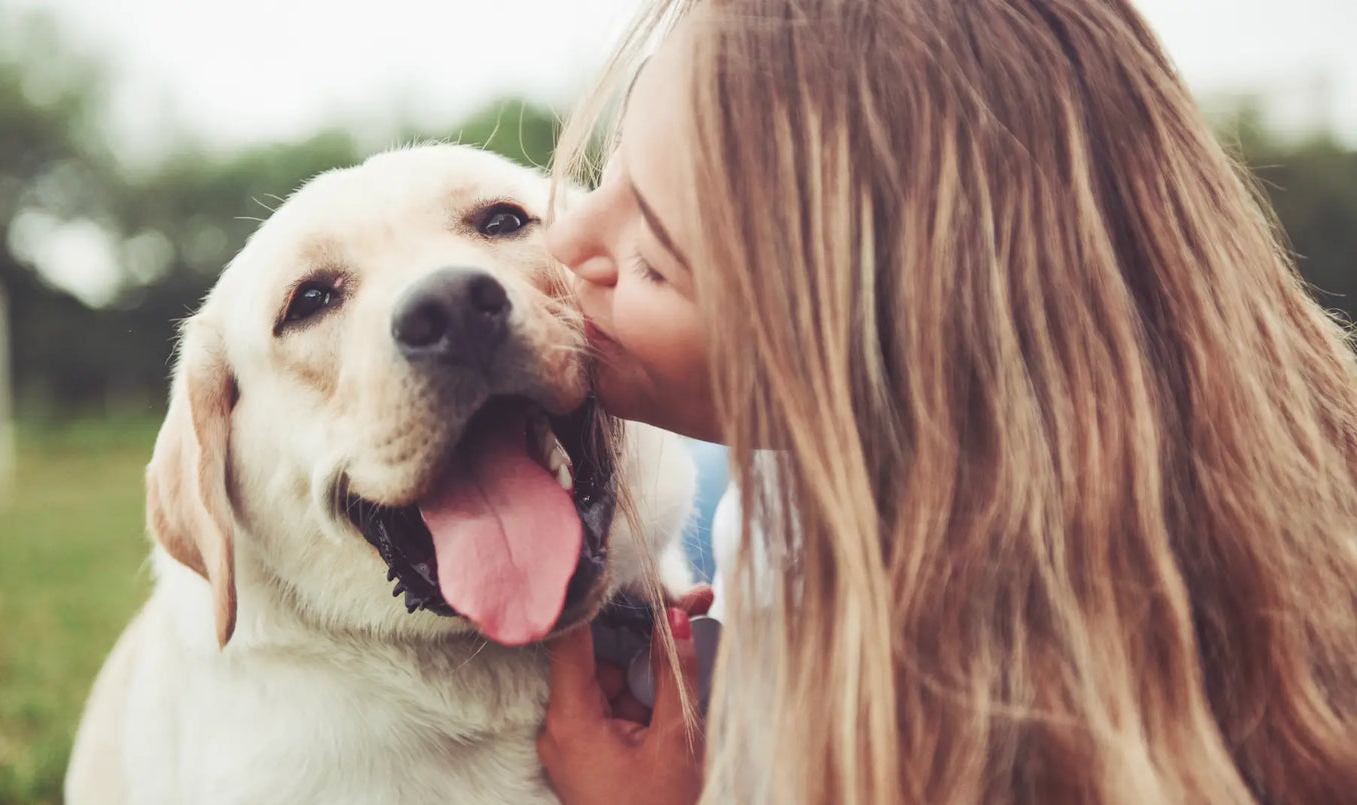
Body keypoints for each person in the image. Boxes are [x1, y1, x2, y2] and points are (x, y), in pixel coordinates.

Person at [536, 0, 1357, 803]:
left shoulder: (992, 727)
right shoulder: (787, 511)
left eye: (654, 259)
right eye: (611, 174)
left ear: (859, 354)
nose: (568, 242)